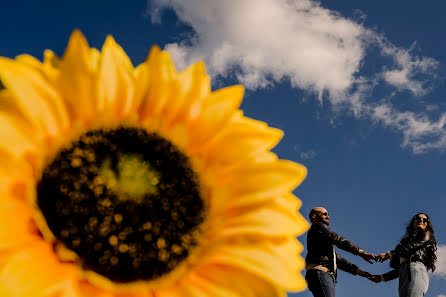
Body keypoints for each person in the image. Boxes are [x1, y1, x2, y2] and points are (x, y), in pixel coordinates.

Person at [305, 207, 375, 297]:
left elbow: (337, 259)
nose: (328, 216)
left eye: (328, 214)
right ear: (314, 216)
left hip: (324, 274)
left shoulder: (319, 236)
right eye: (325, 214)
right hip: (321, 273)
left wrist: (360, 272)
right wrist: (361, 253)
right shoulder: (317, 226)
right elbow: (338, 239)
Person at [370, 213, 437, 297]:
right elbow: (401, 268)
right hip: (405, 275)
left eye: (425, 220)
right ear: (413, 221)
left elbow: (412, 246)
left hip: (416, 271)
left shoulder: (427, 234)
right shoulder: (406, 241)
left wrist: (389, 254)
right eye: (418, 218)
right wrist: (383, 277)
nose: (421, 220)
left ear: (427, 224)